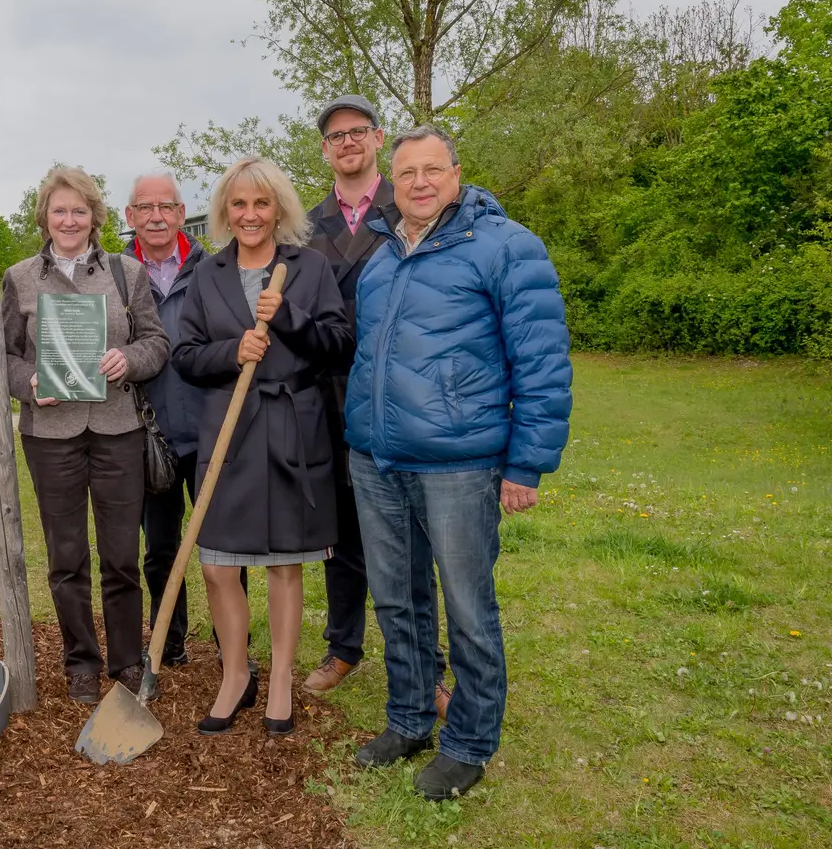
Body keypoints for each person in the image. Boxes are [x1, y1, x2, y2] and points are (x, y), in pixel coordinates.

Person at [345, 124, 573, 800]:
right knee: (397, 600)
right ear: (392, 181)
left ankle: (469, 743)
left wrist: (526, 464)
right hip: (378, 460)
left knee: (468, 608)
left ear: (456, 172)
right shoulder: (382, 258)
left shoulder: (505, 246)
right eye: (406, 172)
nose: (418, 182)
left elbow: (542, 361)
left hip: (460, 465)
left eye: (431, 169)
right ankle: (410, 719)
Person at [172, 156, 354, 737]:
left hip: (289, 429)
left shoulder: (311, 267)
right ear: (225, 211)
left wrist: (292, 319)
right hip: (228, 432)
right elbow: (185, 356)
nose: (250, 214)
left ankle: (279, 681)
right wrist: (232, 352)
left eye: (261, 203)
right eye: (239, 204)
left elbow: (340, 345)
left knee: (282, 564)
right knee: (217, 566)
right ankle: (234, 675)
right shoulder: (207, 274)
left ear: (278, 210)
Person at [299, 95, 447, 717]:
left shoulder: (411, 206)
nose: (348, 142)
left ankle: (427, 663)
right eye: (336, 135)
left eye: (358, 130)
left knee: (409, 536)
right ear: (325, 149)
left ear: (379, 138)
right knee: (339, 532)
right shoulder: (304, 225)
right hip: (327, 396)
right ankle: (343, 645)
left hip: (402, 394)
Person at [1, 165, 171, 705]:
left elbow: (156, 342)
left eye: (79, 210)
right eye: (59, 211)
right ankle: (81, 663)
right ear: (45, 217)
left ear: (94, 217)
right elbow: (2, 356)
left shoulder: (126, 272)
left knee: (121, 555)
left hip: (118, 429)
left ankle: (126, 660)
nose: (69, 220)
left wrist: (129, 359)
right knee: (66, 556)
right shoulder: (20, 277)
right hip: (50, 436)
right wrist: (29, 382)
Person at [120, 172, 249, 669]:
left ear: (180, 213)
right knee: (160, 548)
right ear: (130, 216)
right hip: (149, 435)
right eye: (144, 207)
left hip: (210, 429)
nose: (156, 216)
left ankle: (232, 648)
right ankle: (167, 642)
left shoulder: (214, 269)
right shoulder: (114, 274)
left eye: (165, 207)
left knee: (225, 548)